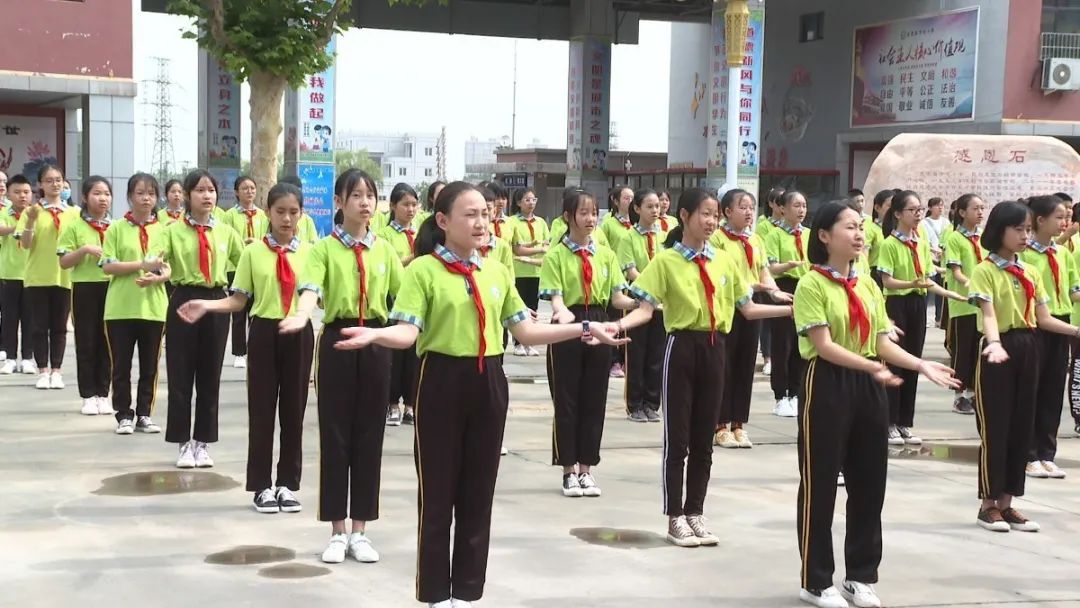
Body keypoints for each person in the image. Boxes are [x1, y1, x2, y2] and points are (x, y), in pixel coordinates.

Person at [331, 182, 625, 607]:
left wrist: (583, 328)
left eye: (484, 214)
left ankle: (467, 594)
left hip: (489, 382)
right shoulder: (424, 271)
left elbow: (526, 330)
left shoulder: (496, 271)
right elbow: (408, 330)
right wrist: (375, 335)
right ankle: (435, 594)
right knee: (437, 494)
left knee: (478, 493)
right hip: (440, 383)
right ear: (443, 221)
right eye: (470, 214)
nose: (481, 222)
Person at [792, 201, 959, 608]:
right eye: (849, 227)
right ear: (825, 236)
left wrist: (921, 364)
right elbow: (824, 346)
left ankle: (860, 576)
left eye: (861, 227)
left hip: (870, 383)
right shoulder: (811, 284)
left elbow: (882, 341)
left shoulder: (866, 284)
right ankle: (816, 581)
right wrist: (871, 366)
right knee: (821, 482)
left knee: (870, 483)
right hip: (828, 383)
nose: (859, 234)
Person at [618, 187, 793, 548]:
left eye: (715, 214)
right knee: (678, 439)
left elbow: (748, 309)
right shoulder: (666, 261)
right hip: (681, 347)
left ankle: (696, 511)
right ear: (684, 216)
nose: (712, 221)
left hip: (717, 349)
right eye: (705, 214)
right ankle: (674, 516)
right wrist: (612, 328)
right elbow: (644, 309)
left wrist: (793, 310)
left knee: (704, 438)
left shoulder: (724, 261)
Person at [280, 169, 403, 563]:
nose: (365, 203)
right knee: (335, 437)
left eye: (371, 195)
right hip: (337, 340)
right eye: (356, 195)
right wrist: (301, 315)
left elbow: (404, 300)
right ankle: (336, 529)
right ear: (338, 202)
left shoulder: (384, 251)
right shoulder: (323, 250)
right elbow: (311, 290)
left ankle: (361, 529)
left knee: (370, 437)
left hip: (378, 343)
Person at [179, 182, 312, 513]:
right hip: (265, 332)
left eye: (293, 212)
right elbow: (239, 300)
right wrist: (206, 306)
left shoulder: (311, 253)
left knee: (294, 412)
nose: (286, 219)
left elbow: (316, 295)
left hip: (299, 331)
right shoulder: (253, 252)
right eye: (280, 211)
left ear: (301, 214)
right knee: (262, 410)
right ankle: (262, 485)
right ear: (268, 212)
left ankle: (287, 483)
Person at [969, 200, 1080, 533]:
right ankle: (988, 505)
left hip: (1029, 345)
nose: (1023, 235)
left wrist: (1076, 330)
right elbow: (989, 314)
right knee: (997, 427)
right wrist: (994, 344)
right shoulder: (984, 270)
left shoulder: (1030, 271)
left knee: (1022, 425)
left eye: (1027, 229)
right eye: (1017, 229)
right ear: (998, 230)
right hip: (999, 348)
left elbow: (1043, 318)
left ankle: (1008, 502)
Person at [540, 188, 638, 496]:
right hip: (567, 325)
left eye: (594, 213)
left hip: (600, 322)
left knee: (595, 400)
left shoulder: (606, 255)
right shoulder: (556, 255)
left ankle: (587, 468)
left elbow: (617, 296)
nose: (590, 219)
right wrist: (561, 312)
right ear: (568, 217)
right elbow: (555, 297)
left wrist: (644, 303)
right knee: (567, 400)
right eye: (583, 213)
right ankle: (568, 469)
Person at [158, 169, 243, 468]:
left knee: (210, 376)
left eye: (211, 190)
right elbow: (159, 258)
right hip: (183, 299)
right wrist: (158, 270)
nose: (207, 196)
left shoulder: (226, 233)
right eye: (200, 190)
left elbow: (243, 262)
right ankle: (183, 443)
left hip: (216, 302)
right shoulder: (171, 230)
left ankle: (203, 442)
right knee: (181, 374)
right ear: (188, 195)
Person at [877, 191, 963, 445]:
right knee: (894, 363)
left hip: (916, 304)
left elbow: (926, 281)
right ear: (897, 214)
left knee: (914, 361)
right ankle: (890, 422)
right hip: (897, 304)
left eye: (919, 210)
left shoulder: (921, 241)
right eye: (912, 210)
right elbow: (887, 281)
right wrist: (911, 282)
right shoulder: (889, 244)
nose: (917, 215)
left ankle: (905, 422)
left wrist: (950, 294)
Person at [710, 189, 791, 448]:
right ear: (727, 211)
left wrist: (776, 293)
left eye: (751, 207)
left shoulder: (754, 240)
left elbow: (764, 271)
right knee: (724, 367)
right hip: (727, 309)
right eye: (742, 207)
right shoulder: (717, 240)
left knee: (745, 366)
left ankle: (739, 424)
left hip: (752, 309)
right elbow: (720, 276)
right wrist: (754, 286)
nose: (748, 212)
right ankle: (720, 425)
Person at [100, 173, 169, 435]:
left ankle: (144, 414)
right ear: (130, 197)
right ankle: (123, 414)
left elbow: (167, 266)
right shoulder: (116, 228)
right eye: (140, 193)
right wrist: (141, 265)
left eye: (151, 193)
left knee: (150, 366)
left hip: (153, 308)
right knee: (121, 366)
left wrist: (161, 275)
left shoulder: (163, 230)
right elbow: (108, 265)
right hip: (120, 308)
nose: (146, 198)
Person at [1018, 195, 1078, 480]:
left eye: (1066, 216)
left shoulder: (1063, 253)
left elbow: (1072, 292)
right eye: (1058, 216)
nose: (1064, 222)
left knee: (1053, 391)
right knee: (1031, 390)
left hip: (1061, 324)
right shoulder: (1024, 256)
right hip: (1035, 326)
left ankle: (1046, 453)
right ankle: (1028, 454)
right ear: (1039, 220)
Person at [17, 165, 80, 390]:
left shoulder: (74, 213)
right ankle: (42, 370)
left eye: (59, 180)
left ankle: (57, 370)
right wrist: (31, 220)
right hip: (37, 276)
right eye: (49, 180)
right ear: (40, 184)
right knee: (38, 326)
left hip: (64, 276)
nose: (55, 184)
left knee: (60, 327)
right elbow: (24, 244)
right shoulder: (31, 211)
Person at [57, 176, 114, 415]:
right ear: (84, 197)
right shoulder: (73, 226)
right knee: (87, 341)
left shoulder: (116, 227)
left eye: (106, 194)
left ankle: (104, 393)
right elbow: (64, 261)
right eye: (97, 194)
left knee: (108, 343)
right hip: (84, 288)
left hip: (112, 289)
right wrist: (85, 250)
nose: (102, 199)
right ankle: (88, 395)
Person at [618, 188, 667, 423]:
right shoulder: (629, 237)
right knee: (636, 355)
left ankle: (651, 403)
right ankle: (634, 404)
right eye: (649, 206)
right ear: (637, 209)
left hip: (661, 305)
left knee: (656, 355)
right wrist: (651, 287)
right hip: (637, 302)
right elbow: (630, 270)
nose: (655, 210)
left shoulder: (664, 236)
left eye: (657, 205)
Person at [378, 182, 421, 427]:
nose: (410, 209)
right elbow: (391, 265)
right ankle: (392, 403)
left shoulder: (420, 233)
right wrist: (414, 257)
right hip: (394, 300)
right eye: (405, 204)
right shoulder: (384, 236)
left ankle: (411, 405)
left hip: (417, 299)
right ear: (393, 206)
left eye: (414, 204)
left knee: (415, 355)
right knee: (395, 355)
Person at [765, 190, 810, 417]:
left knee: (801, 342)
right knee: (782, 344)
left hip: (806, 288)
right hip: (784, 287)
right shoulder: (775, 235)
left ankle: (795, 392)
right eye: (796, 205)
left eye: (804, 205)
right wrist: (789, 265)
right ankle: (780, 395)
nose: (801, 210)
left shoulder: (810, 234)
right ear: (782, 209)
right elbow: (770, 267)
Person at [942, 194, 987, 415]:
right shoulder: (955, 238)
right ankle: (958, 395)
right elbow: (956, 271)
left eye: (982, 208)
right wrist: (972, 284)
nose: (980, 212)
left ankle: (973, 393)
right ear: (961, 213)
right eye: (975, 208)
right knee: (962, 351)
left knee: (978, 350)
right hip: (962, 303)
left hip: (981, 305)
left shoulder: (983, 238)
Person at [222, 175, 266, 369]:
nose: (249, 192)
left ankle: (255, 348)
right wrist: (243, 245)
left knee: (255, 310)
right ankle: (239, 352)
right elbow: (226, 238)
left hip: (258, 267)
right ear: (236, 192)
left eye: (252, 188)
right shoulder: (230, 215)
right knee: (238, 310)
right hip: (236, 267)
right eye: (245, 188)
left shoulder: (264, 215)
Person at [509, 187, 549, 356]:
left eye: (533, 199)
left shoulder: (541, 222)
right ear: (518, 203)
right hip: (518, 271)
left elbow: (547, 245)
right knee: (519, 307)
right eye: (527, 200)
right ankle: (518, 342)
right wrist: (537, 249)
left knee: (533, 308)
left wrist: (537, 249)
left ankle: (529, 342)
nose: (531, 203)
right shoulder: (512, 222)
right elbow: (517, 250)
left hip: (536, 272)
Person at [0, 175, 34, 375]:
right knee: (9, 318)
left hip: (31, 274)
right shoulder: (4, 213)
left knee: (30, 318)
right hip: (8, 273)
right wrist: (19, 226)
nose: (22, 196)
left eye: (26, 192)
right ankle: (10, 357)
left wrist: (28, 223)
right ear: (9, 194)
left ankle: (28, 357)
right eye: (17, 192)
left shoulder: (36, 215)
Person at [600, 184, 634, 379]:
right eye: (626, 198)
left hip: (634, 282)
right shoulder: (608, 224)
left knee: (630, 324)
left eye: (632, 197)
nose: (629, 201)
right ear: (615, 201)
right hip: (616, 279)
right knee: (614, 320)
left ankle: (626, 360)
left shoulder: (637, 226)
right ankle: (613, 360)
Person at [756, 186, 786, 377]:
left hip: (787, 280)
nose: (783, 207)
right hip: (770, 276)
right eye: (779, 203)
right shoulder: (765, 226)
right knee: (767, 322)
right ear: (772, 204)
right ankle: (767, 358)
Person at [923, 196, 951, 328]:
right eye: (937, 205)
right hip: (930, 258)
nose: (940, 208)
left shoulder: (946, 223)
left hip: (942, 259)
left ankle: (939, 318)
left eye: (942, 205)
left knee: (941, 289)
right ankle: (924, 318)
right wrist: (933, 250)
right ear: (930, 208)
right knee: (928, 287)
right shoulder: (924, 223)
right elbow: (924, 241)